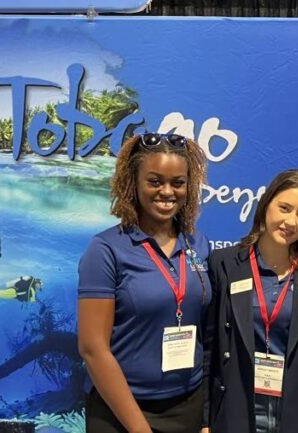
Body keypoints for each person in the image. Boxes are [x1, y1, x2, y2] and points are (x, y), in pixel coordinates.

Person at [77, 132, 211, 433]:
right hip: (120, 413)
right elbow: (92, 349)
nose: (167, 191)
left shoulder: (198, 244)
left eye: (178, 182)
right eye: (154, 181)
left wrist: (205, 416)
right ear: (133, 183)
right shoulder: (106, 249)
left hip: (186, 407)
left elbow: (208, 334)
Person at [204, 169, 298, 433]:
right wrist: (205, 419)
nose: (291, 221)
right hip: (239, 405)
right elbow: (210, 347)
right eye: (284, 208)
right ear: (266, 205)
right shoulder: (226, 263)